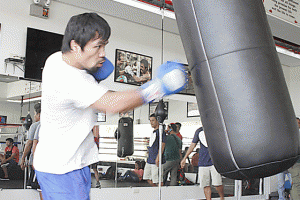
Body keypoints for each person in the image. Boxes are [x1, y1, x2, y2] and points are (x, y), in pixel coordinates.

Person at [33, 12, 187, 200]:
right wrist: (157, 88)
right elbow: (112, 105)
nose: (103, 53)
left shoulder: (56, 59)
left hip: (62, 164)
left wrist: (92, 75)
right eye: (98, 46)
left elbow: (106, 100)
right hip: (63, 170)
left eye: (104, 45)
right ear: (75, 46)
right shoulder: (72, 80)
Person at [181, 127, 224, 200]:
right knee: (205, 185)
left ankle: (222, 197)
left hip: (214, 162)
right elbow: (192, 145)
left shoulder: (216, 128)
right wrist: (185, 157)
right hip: (203, 162)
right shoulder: (199, 131)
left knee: (217, 184)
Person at [20, 103, 41, 186]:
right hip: (49, 163)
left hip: (36, 162)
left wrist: (23, 158)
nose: (34, 116)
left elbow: (29, 143)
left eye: (34, 114)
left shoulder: (35, 125)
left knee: (33, 186)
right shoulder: (53, 124)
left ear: (39, 114)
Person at [143, 114, 166, 187]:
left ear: (157, 121)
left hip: (156, 159)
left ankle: (161, 195)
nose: (151, 122)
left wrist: (158, 157)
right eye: (150, 121)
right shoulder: (153, 132)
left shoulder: (161, 131)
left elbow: (162, 145)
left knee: (158, 180)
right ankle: (156, 192)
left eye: (153, 120)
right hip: (150, 159)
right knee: (146, 177)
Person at [287, 117, 300, 200]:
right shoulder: (290, 135)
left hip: (296, 163)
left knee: (296, 184)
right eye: (297, 123)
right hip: (295, 163)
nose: (298, 125)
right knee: (297, 184)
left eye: (299, 123)